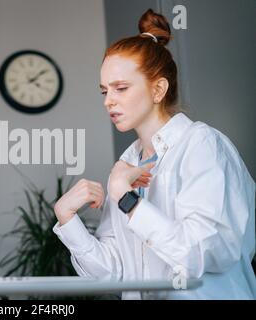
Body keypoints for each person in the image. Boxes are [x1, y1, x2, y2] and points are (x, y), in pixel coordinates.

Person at [52, 9, 255, 300]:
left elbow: (201, 254)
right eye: (103, 91)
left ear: (158, 88)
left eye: (121, 88)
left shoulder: (202, 145)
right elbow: (113, 274)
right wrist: (67, 219)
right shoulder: (127, 165)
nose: (109, 101)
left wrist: (128, 200)